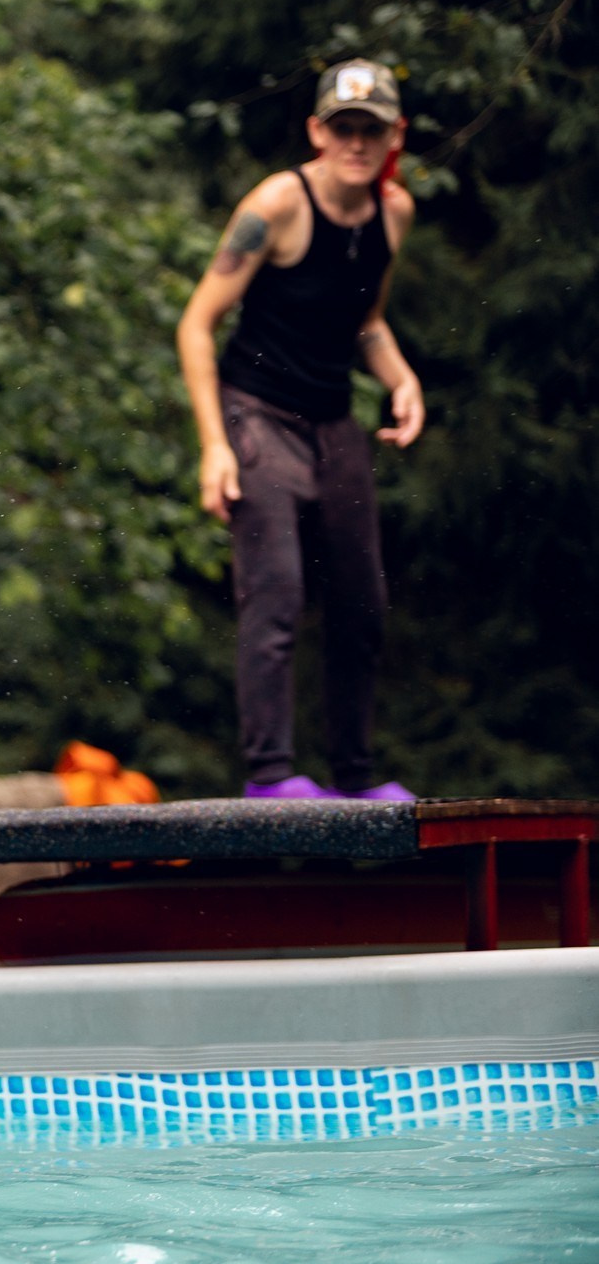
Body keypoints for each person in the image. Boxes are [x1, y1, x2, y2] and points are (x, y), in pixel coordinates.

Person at [176, 59, 423, 801]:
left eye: (370, 130)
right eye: (342, 127)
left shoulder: (394, 213)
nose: (355, 141)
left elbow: (367, 323)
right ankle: (272, 777)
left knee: (362, 604)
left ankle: (354, 782)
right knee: (277, 591)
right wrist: (215, 445)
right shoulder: (278, 205)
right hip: (255, 413)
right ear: (318, 131)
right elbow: (196, 325)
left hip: (333, 420)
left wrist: (402, 379)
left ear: (392, 137)